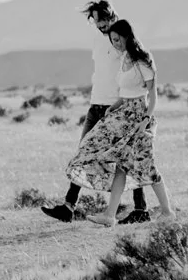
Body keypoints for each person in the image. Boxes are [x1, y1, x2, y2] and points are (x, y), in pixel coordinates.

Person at [41, 0, 150, 224]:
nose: (99, 26)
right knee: (84, 153)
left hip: (117, 108)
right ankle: (68, 208)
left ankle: (141, 209)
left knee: (126, 157)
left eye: (102, 21)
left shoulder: (123, 40)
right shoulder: (97, 40)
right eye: (95, 22)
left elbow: (139, 71)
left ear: (111, 16)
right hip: (96, 105)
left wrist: (138, 108)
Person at [65, 18, 175, 227]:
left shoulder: (143, 60)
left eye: (117, 39)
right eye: (112, 40)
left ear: (127, 36)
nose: (115, 44)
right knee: (115, 162)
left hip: (139, 116)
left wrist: (145, 120)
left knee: (146, 165)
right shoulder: (124, 58)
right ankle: (109, 215)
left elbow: (152, 95)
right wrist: (114, 107)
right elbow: (126, 93)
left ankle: (167, 212)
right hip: (123, 113)